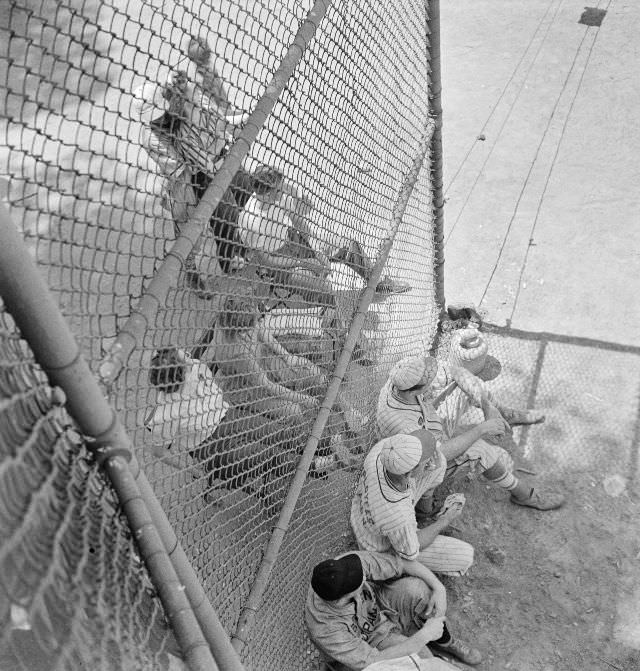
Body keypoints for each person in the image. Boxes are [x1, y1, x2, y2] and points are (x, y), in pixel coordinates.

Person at [134, 37, 254, 282]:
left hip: (211, 161)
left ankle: (240, 246)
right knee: (205, 223)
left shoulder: (178, 106)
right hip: (187, 177)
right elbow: (187, 167)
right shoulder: (155, 136)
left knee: (241, 195)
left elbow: (214, 107)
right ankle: (202, 266)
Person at [377, 356, 565, 512]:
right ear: (417, 390)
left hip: (434, 433)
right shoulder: (402, 423)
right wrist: (482, 429)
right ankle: (524, 495)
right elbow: (438, 455)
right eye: (429, 380)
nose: (435, 377)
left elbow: (455, 371)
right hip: (420, 467)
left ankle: (504, 414)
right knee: (482, 451)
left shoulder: (404, 376)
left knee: (463, 387)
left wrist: (487, 406)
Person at [305, 551, 482, 670]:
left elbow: (402, 563)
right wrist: (424, 636)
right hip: (369, 646)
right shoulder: (326, 629)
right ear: (345, 597)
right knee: (422, 658)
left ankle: (445, 643)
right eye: (359, 582)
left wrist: (439, 588)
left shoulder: (346, 565)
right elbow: (372, 662)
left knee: (417, 590)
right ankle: (432, 650)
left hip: (381, 608)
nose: (363, 575)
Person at [350, 433, 474, 577]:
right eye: (423, 461)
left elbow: (424, 446)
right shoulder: (398, 516)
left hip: (367, 509)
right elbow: (410, 551)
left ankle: (424, 509)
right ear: (410, 473)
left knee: (439, 463)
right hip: (377, 546)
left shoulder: (383, 450)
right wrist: (445, 520)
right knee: (465, 555)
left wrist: (426, 465)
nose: (429, 459)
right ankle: (399, 575)